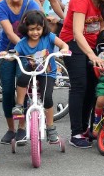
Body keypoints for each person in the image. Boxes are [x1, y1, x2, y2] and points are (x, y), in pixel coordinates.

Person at [61, 0, 104, 147]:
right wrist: (92, 55)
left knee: (94, 87)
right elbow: (77, 32)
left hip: (93, 44)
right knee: (80, 85)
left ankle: (88, 128)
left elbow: (103, 24)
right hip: (72, 42)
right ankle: (76, 133)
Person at [8, 10, 69, 146]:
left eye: (38, 29)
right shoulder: (23, 42)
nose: (35, 32)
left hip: (48, 72)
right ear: (26, 29)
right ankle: (19, 106)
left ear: (43, 28)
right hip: (31, 70)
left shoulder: (49, 37)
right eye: (31, 29)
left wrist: (64, 50)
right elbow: (15, 52)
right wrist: (8, 55)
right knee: (22, 80)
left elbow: (64, 44)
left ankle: (50, 127)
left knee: (47, 98)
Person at [0, 0, 41, 145]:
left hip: (28, 52)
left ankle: (22, 127)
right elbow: (9, 32)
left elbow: (39, 31)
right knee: (7, 91)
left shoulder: (32, 5)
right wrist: (21, 50)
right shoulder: (1, 6)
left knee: (24, 89)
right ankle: (10, 129)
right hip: (7, 52)